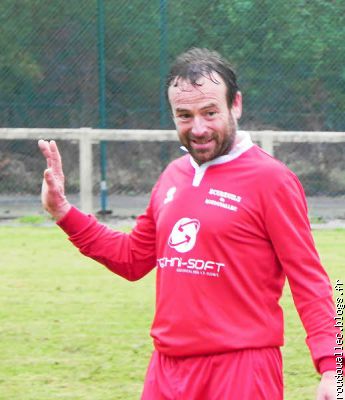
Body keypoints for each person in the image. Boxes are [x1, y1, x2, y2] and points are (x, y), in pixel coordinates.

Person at [39, 48, 340, 400]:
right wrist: (63, 212)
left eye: (210, 113)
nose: (198, 128)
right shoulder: (173, 176)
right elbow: (133, 258)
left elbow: (311, 280)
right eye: (184, 115)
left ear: (236, 105)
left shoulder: (272, 180)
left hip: (241, 371)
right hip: (166, 371)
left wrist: (335, 369)